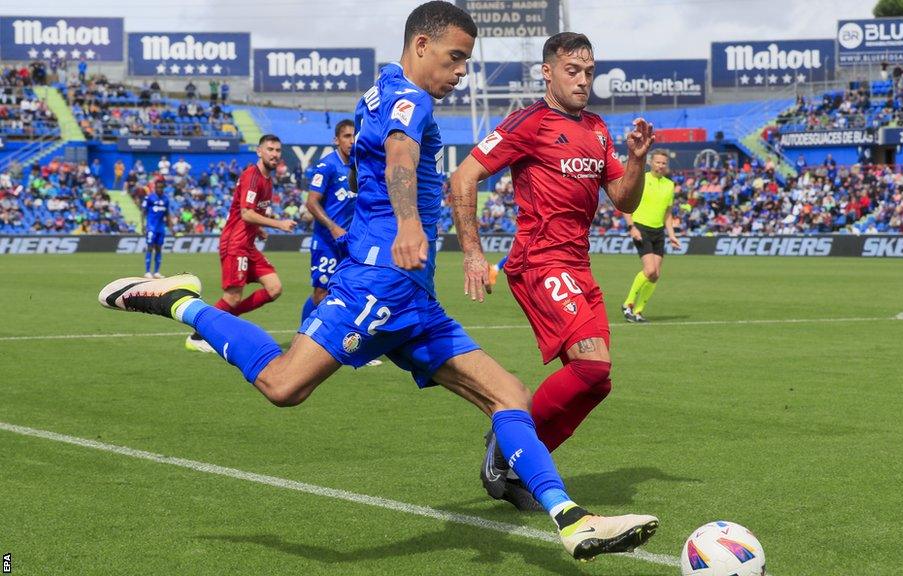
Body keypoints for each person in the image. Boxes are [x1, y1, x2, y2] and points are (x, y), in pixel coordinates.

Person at [98, 3, 657, 561]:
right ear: (421, 47)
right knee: (283, 385)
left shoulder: (384, 87)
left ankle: (572, 520)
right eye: (455, 57)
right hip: (379, 284)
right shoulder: (411, 99)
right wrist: (411, 222)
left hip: (412, 295)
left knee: (508, 396)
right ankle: (179, 301)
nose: (461, 71)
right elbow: (399, 155)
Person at [449, 32, 654, 509]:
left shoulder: (598, 129)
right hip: (540, 262)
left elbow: (624, 199)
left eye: (589, 72)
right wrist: (474, 253)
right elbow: (463, 176)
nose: (583, 81)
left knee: (597, 382)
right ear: (547, 72)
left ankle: (519, 455)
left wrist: (637, 160)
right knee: (591, 363)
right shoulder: (529, 122)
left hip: (578, 265)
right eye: (572, 71)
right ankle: (506, 444)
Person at [184, 134, 296, 353]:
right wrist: (278, 224)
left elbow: (247, 211)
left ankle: (223, 321)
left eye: (277, 150)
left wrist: (260, 228)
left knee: (274, 288)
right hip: (235, 243)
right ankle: (197, 336)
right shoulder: (252, 176)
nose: (274, 154)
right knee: (233, 297)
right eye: (270, 149)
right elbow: (246, 213)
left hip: (248, 244)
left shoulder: (267, 179)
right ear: (259, 151)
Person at [301, 119, 356, 322]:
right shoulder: (327, 166)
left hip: (350, 242)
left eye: (354, 136)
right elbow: (311, 203)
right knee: (321, 294)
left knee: (350, 292)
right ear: (336, 140)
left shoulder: (359, 167)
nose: (351, 141)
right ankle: (303, 338)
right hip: (327, 241)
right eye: (346, 136)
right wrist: (333, 227)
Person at [621, 149, 681, 322]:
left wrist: (672, 235)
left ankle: (638, 312)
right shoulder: (642, 179)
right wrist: (631, 227)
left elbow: (668, 214)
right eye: (657, 162)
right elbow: (625, 204)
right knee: (650, 270)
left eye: (663, 163)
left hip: (658, 231)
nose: (660, 165)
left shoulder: (670, 185)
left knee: (655, 274)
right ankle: (628, 303)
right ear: (650, 162)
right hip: (641, 228)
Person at [141, 178, 171, 278]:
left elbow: (167, 214)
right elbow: (143, 212)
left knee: (158, 249)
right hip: (151, 227)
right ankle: (147, 271)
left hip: (160, 228)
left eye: (161, 187)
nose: (159, 189)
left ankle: (157, 272)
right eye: (158, 187)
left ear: (163, 188)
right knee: (150, 247)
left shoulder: (166, 199)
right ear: (155, 188)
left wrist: (171, 227)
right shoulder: (150, 198)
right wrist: (143, 225)